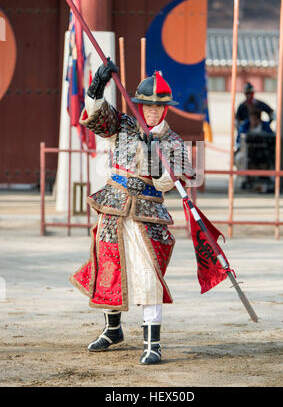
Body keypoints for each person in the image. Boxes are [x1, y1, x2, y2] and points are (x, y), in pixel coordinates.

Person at [70, 60, 195, 365]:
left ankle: (152, 343)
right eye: (146, 106)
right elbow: (97, 115)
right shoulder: (124, 125)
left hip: (146, 215)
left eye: (157, 108)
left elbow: (167, 183)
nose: (151, 112)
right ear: (139, 105)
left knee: (147, 274)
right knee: (109, 268)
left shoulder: (174, 142)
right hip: (112, 206)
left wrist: (155, 156)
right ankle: (113, 330)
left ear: (165, 109)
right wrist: (97, 88)